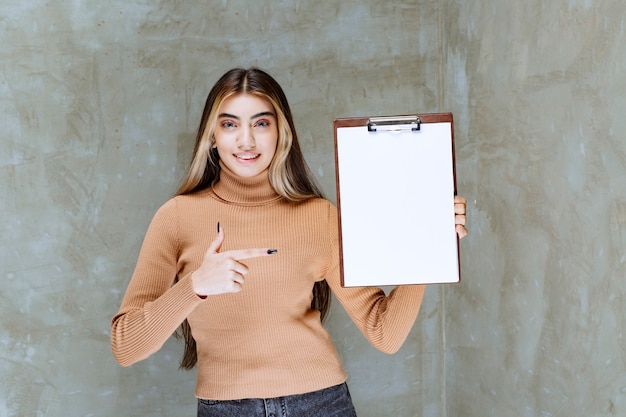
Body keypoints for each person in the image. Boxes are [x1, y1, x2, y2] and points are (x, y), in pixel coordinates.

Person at [111, 67, 468, 417]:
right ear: (212, 136)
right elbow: (126, 346)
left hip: (322, 404)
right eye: (230, 124)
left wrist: (428, 242)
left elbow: (385, 333)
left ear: (282, 132)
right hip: (226, 409)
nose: (246, 140)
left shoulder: (319, 216)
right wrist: (196, 286)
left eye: (261, 123)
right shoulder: (177, 216)